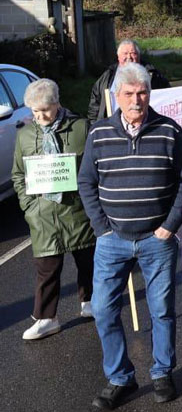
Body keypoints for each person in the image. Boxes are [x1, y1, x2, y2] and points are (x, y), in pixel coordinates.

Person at [77, 63, 182, 410]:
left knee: (161, 310)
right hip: (112, 240)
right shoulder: (98, 134)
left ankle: (161, 372)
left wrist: (170, 225)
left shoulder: (169, 131)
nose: (136, 99)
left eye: (142, 92)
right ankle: (120, 377)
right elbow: (86, 183)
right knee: (103, 310)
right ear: (116, 97)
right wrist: (101, 228)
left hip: (157, 240)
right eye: (128, 94)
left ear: (149, 93)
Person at [13, 79, 96, 341]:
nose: (40, 117)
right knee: (47, 267)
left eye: (45, 110)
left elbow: (94, 167)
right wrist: (29, 207)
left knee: (87, 258)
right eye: (35, 112)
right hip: (43, 214)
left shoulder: (80, 127)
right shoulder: (26, 135)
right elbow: (18, 174)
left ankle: (90, 300)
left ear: (57, 103)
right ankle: (47, 317)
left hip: (77, 210)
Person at [87, 40, 170, 121]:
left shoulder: (152, 74)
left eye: (133, 53)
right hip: (112, 126)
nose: (129, 57)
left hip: (144, 123)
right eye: (125, 53)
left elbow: (168, 96)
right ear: (118, 57)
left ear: (139, 56)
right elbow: (95, 102)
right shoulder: (108, 75)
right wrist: (94, 123)